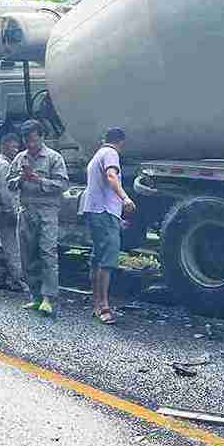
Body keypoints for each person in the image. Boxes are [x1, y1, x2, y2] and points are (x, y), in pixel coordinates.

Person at [9, 119, 67, 316]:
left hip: (47, 211)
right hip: (26, 210)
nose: (30, 145)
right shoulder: (19, 158)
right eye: (27, 141)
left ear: (42, 137)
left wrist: (38, 180)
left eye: (34, 140)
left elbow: (62, 185)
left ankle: (49, 297)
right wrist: (20, 179)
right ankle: (35, 296)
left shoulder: (53, 158)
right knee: (27, 254)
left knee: (47, 253)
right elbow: (9, 183)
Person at [80, 127, 136, 324]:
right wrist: (126, 198)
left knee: (98, 257)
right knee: (108, 259)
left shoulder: (98, 154)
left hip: (97, 211)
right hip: (103, 212)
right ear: (121, 142)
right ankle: (104, 307)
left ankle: (97, 304)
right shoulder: (111, 153)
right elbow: (111, 176)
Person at [0, 132, 28, 292]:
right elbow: (4, 193)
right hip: (6, 211)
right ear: (3, 146)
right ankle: (18, 282)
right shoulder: (4, 166)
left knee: (2, 246)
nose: (16, 150)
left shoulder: (1, 164)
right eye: (13, 147)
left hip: (1, 211)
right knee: (13, 248)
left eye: (17, 147)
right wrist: (13, 211)